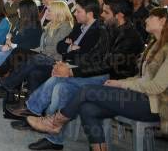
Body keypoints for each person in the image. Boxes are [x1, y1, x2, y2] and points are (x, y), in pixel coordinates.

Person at [25, 8, 167, 151]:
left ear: (162, 20)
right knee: (87, 108)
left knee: (86, 91)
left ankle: (54, 122)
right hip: (130, 90)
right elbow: (140, 77)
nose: (146, 20)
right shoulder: (153, 44)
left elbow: (156, 87)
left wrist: (122, 84)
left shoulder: (133, 38)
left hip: (154, 104)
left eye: (151, 17)